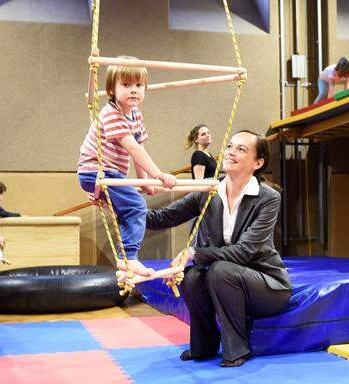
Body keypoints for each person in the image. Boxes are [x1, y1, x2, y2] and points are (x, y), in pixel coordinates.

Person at [147, 130, 292, 367]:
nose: (231, 152)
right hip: (226, 278)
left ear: (258, 163)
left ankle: (238, 349)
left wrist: (192, 252)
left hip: (267, 286)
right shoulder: (209, 192)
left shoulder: (268, 198)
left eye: (241, 149)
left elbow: (244, 252)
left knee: (220, 270)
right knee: (192, 276)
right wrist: (120, 205)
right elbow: (162, 218)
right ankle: (203, 347)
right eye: (230, 147)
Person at [78, 56, 177, 277]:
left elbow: (139, 145)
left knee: (129, 211)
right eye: (126, 85)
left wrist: (147, 182)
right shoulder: (111, 113)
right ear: (111, 89)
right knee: (138, 207)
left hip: (111, 173)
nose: (134, 90)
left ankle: (126, 259)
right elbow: (133, 149)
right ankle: (129, 258)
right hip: (96, 170)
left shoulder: (135, 114)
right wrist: (158, 174)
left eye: (139, 85)